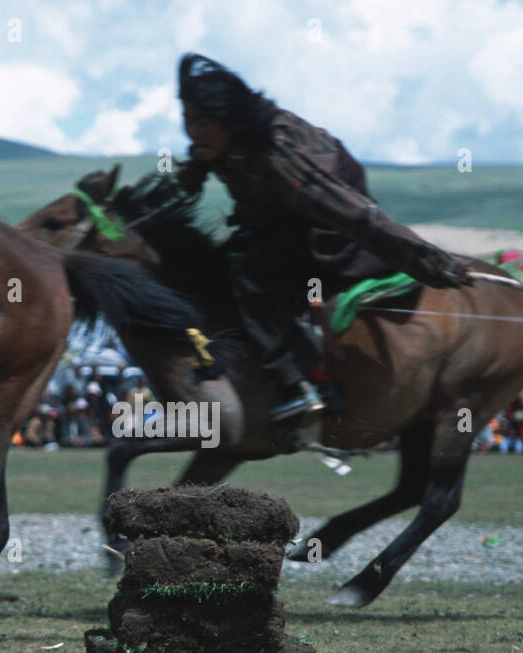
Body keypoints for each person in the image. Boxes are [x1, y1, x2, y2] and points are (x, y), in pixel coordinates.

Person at [173, 53, 472, 425]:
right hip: (279, 217)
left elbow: (358, 216)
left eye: (202, 123)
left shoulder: (281, 155)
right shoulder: (218, 141)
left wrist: (431, 262)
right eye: (187, 121)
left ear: (230, 120)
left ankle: (303, 385)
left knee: (252, 279)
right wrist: (189, 177)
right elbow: (201, 155)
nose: (192, 132)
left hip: (329, 216)